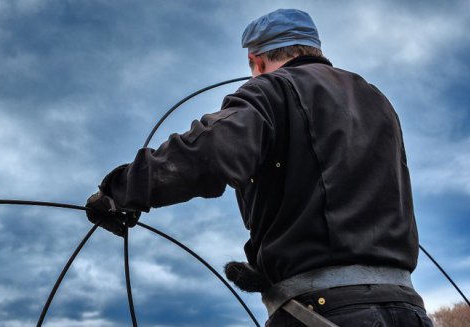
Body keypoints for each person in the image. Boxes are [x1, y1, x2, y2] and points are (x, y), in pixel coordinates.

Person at [85, 8, 433, 327]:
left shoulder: (270, 90)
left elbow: (210, 150)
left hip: (322, 312)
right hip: (409, 310)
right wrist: (264, 271)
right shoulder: (378, 100)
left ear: (257, 60)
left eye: (252, 68)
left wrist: (117, 192)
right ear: (313, 48)